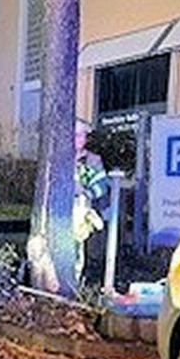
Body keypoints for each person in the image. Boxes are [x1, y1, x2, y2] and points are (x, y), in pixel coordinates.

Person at [74, 120, 109, 284]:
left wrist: (87, 194)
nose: (77, 139)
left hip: (84, 213)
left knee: (83, 249)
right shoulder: (59, 160)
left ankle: (80, 280)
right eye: (74, 135)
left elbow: (102, 185)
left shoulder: (93, 160)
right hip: (63, 214)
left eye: (81, 135)